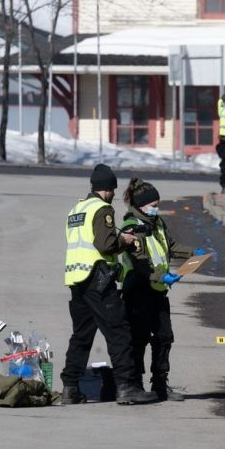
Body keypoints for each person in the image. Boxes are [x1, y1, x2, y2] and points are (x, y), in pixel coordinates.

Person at [61, 164, 158, 405]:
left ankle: (70, 388)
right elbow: (105, 245)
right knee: (118, 331)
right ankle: (126, 386)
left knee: (81, 335)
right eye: (113, 190)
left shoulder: (76, 209)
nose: (114, 195)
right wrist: (124, 240)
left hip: (76, 279)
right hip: (98, 278)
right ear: (107, 190)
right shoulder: (102, 208)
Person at [120, 178, 205, 401]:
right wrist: (162, 276)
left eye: (158, 204)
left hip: (158, 290)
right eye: (153, 204)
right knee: (138, 339)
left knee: (164, 337)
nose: (157, 208)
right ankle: (135, 385)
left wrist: (193, 252)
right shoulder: (131, 227)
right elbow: (139, 262)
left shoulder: (156, 222)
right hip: (138, 289)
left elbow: (171, 246)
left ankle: (160, 384)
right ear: (141, 205)